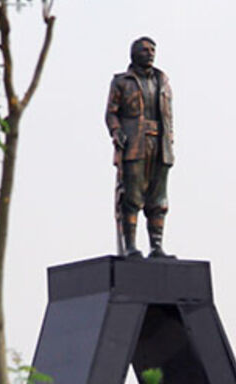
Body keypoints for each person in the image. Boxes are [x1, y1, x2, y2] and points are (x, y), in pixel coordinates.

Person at [106, 36, 174, 258]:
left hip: (160, 144)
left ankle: (156, 246)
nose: (150, 53)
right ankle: (131, 246)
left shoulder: (162, 81)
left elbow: (168, 115)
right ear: (134, 54)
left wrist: (170, 139)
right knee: (132, 195)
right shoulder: (122, 82)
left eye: (153, 49)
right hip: (135, 143)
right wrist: (117, 132)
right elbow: (111, 113)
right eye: (145, 49)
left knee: (158, 197)